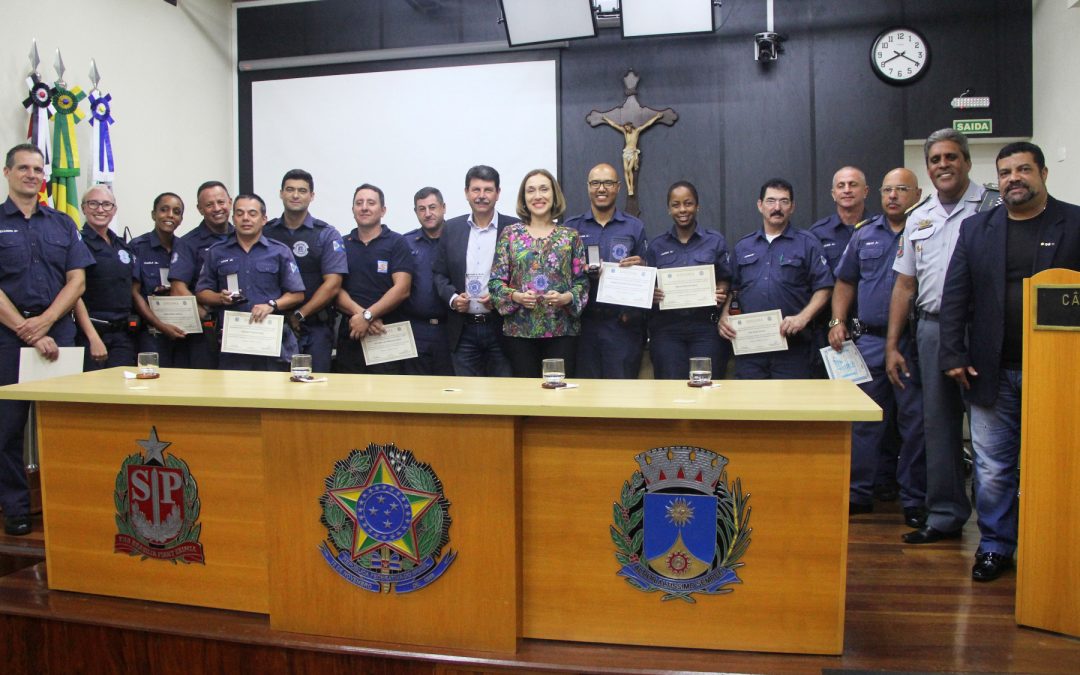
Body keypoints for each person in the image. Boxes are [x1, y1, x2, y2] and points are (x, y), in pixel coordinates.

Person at [939, 142, 1080, 581]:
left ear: (1042, 174)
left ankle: (1053, 544)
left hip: (1058, 371)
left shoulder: (1075, 223)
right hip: (989, 368)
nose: (1013, 178)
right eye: (1005, 172)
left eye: (1023, 169)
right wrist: (953, 353)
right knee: (993, 466)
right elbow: (955, 297)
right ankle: (996, 546)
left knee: (1055, 461)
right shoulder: (977, 229)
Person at [886, 128, 985, 545]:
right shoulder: (919, 217)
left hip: (982, 330)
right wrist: (892, 344)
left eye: (951, 157)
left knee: (989, 426)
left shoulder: (992, 206)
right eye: (935, 160)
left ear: (966, 160)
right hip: (930, 328)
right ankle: (945, 515)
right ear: (928, 168)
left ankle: (1001, 524)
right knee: (939, 427)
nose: (943, 165)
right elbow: (905, 285)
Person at [0, 143, 93, 536]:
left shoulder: (62, 223)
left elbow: (78, 279)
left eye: (38, 169)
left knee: (65, 423)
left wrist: (46, 322)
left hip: (60, 334)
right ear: (7, 173)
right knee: (8, 429)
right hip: (8, 337)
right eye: (23, 168)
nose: (31, 174)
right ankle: (16, 508)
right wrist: (26, 329)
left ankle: (67, 505)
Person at [829, 168, 926, 524]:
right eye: (888, 190)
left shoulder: (927, 231)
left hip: (912, 341)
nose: (893, 196)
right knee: (864, 422)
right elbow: (844, 282)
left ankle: (915, 499)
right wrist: (837, 321)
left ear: (917, 194)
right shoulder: (865, 234)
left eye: (902, 189)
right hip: (868, 339)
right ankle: (858, 493)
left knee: (914, 422)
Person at [720, 178, 833, 379]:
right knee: (750, 406)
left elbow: (824, 288)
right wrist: (725, 315)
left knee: (791, 408)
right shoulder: (743, 246)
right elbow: (734, 290)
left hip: (794, 348)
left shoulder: (808, 243)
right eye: (771, 201)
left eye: (784, 201)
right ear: (760, 205)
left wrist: (803, 318)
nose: (777, 207)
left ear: (792, 207)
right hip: (750, 349)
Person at [489, 169, 588, 377]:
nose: (538, 196)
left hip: (563, 331)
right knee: (526, 399)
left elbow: (582, 283)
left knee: (559, 397)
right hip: (520, 332)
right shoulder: (510, 235)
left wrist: (565, 298)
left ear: (554, 195)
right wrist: (516, 296)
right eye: (531, 191)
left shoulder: (570, 236)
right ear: (524, 198)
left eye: (544, 189)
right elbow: (496, 282)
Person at [195, 194, 304, 371]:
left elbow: (297, 294)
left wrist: (272, 305)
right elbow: (201, 292)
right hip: (234, 345)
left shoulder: (279, 251)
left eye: (252, 213)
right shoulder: (217, 252)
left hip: (271, 343)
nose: (246, 218)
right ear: (233, 219)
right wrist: (219, 298)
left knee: (274, 396)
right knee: (235, 396)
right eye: (240, 213)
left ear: (264, 219)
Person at [564, 163, 648, 379]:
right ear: (588, 187)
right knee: (585, 395)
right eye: (595, 183)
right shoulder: (571, 228)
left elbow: (646, 275)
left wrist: (641, 268)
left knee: (621, 394)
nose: (602, 189)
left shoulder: (634, 227)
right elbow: (560, 274)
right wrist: (578, 270)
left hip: (621, 326)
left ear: (618, 187)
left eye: (608, 183)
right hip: (583, 325)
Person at [432, 165, 517, 377]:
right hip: (463, 329)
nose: (481, 196)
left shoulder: (515, 229)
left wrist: (500, 298)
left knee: (505, 395)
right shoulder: (451, 229)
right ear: (466, 193)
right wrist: (452, 298)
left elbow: (524, 277)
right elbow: (439, 274)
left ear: (498, 193)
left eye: (488, 190)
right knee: (467, 398)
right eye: (475, 190)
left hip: (502, 327)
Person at [645, 181, 731, 380]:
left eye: (688, 203)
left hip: (706, 329)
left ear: (697, 206)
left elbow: (726, 278)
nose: (682, 209)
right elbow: (645, 288)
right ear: (669, 209)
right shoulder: (657, 245)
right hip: (667, 330)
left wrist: (721, 290)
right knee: (669, 390)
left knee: (707, 389)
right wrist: (652, 293)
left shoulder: (715, 241)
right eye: (676, 205)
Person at [264, 169, 346, 374]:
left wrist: (300, 314)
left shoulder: (326, 234)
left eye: (302, 191)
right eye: (290, 190)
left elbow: (333, 283)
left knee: (315, 390)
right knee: (272, 390)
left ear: (312, 196)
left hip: (315, 326)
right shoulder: (266, 232)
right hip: (272, 326)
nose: (295, 195)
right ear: (281, 193)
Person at [334, 184, 414, 374]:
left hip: (386, 334)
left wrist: (368, 316)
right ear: (353, 209)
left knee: (388, 399)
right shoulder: (341, 244)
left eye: (371, 203)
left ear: (383, 210)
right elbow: (334, 288)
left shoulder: (397, 242)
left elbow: (402, 288)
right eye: (359, 203)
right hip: (352, 333)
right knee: (348, 399)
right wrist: (362, 316)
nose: (364, 207)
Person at [808, 167, 872, 378]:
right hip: (829, 330)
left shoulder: (879, 228)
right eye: (841, 186)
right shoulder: (818, 233)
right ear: (833, 193)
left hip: (871, 329)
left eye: (853, 185)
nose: (847, 190)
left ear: (866, 191)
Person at [170, 181, 234, 369]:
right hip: (207, 330)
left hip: (241, 327)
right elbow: (177, 288)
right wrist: (204, 313)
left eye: (221, 202)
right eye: (209, 205)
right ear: (200, 209)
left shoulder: (244, 236)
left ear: (230, 202)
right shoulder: (188, 243)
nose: (217, 208)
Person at [72, 185, 138, 370]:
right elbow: (73, 294)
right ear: (83, 208)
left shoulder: (122, 245)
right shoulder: (77, 243)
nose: (100, 209)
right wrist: (93, 337)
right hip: (91, 334)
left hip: (123, 336)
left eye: (106, 204)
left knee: (122, 394)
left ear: (114, 210)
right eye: (93, 204)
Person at [129, 193, 194, 367]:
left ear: (181, 219)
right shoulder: (138, 247)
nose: (170, 215)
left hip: (182, 332)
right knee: (152, 383)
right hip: (151, 333)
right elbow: (134, 293)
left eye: (176, 211)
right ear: (153, 214)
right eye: (164, 210)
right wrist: (161, 325)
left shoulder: (185, 247)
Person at [401, 187, 453, 376]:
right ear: (416, 212)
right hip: (416, 330)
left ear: (443, 207)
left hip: (452, 329)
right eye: (421, 209)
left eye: (432, 207)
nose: (428, 214)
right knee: (416, 393)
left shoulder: (458, 238)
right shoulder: (406, 243)